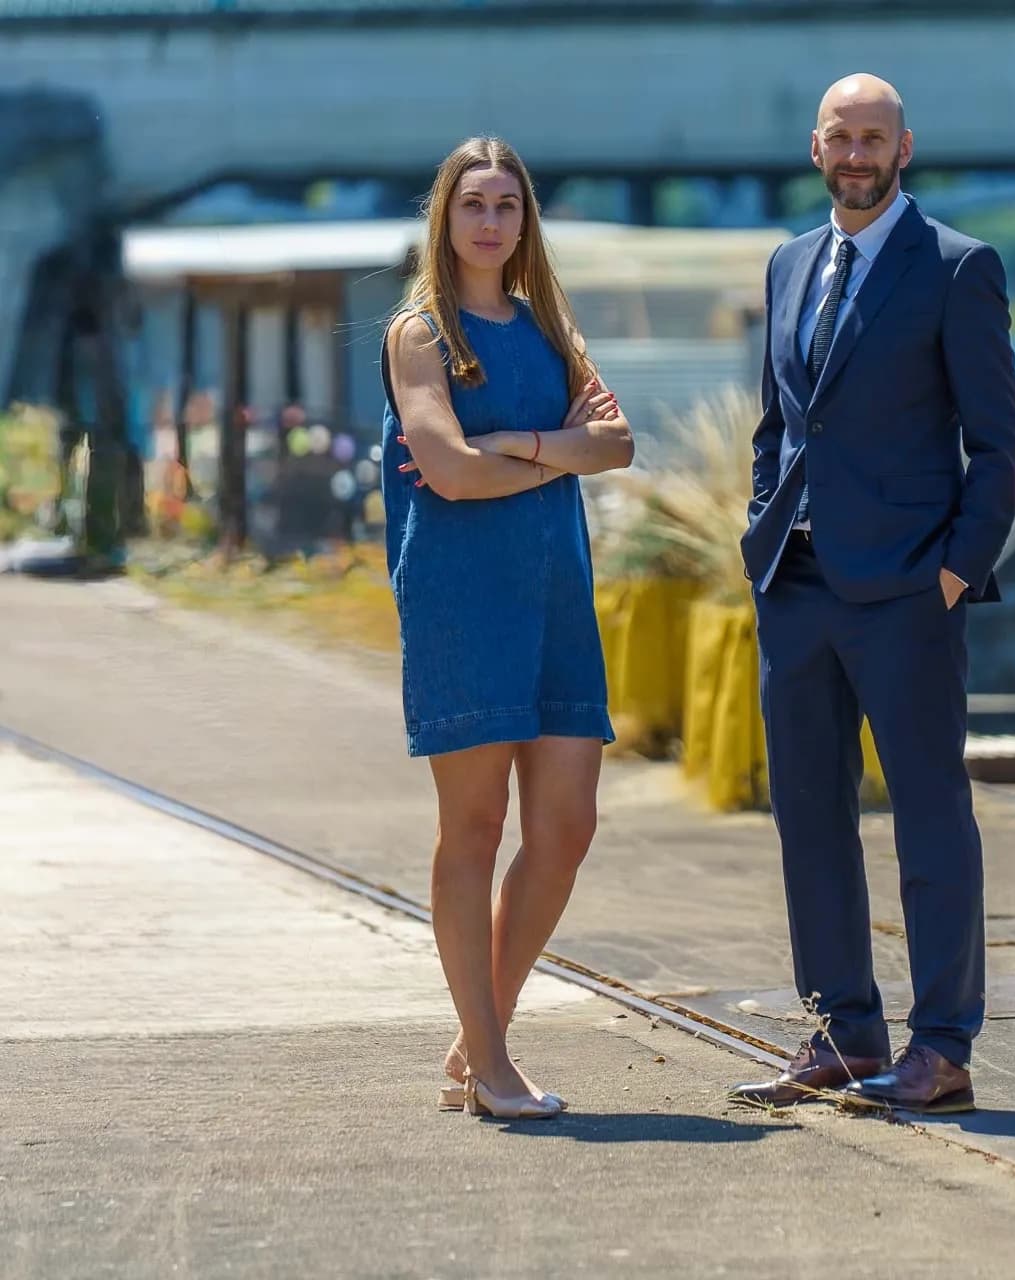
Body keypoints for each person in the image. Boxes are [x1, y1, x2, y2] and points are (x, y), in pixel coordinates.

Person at [728, 74, 1015, 1114]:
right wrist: (759, 525)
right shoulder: (788, 262)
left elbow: (999, 447)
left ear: (905, 148)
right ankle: (843, 1029)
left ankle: (940, 1045)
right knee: (808, 815)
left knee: (929, 816)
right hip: (795, 586)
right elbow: (779, 425)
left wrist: (954, 570)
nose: (856, 153)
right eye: (840, 137)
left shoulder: (956, 268)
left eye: (874, 138)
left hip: (907, 590)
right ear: (816, 148)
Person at [381, 136, 633, 1120]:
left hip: (558, 595)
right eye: (473, 203)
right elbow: (445, 470)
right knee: (475, 829)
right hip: (462, 597)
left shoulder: (552, 329)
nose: (491, 221)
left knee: (566, 825)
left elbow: (615, 442)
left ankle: (477, 1033)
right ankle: (491, 1062)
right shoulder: (420, 335)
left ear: (526, 222)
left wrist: (516, 444)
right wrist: (556, 453)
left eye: (508, 205)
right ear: (444, 218)